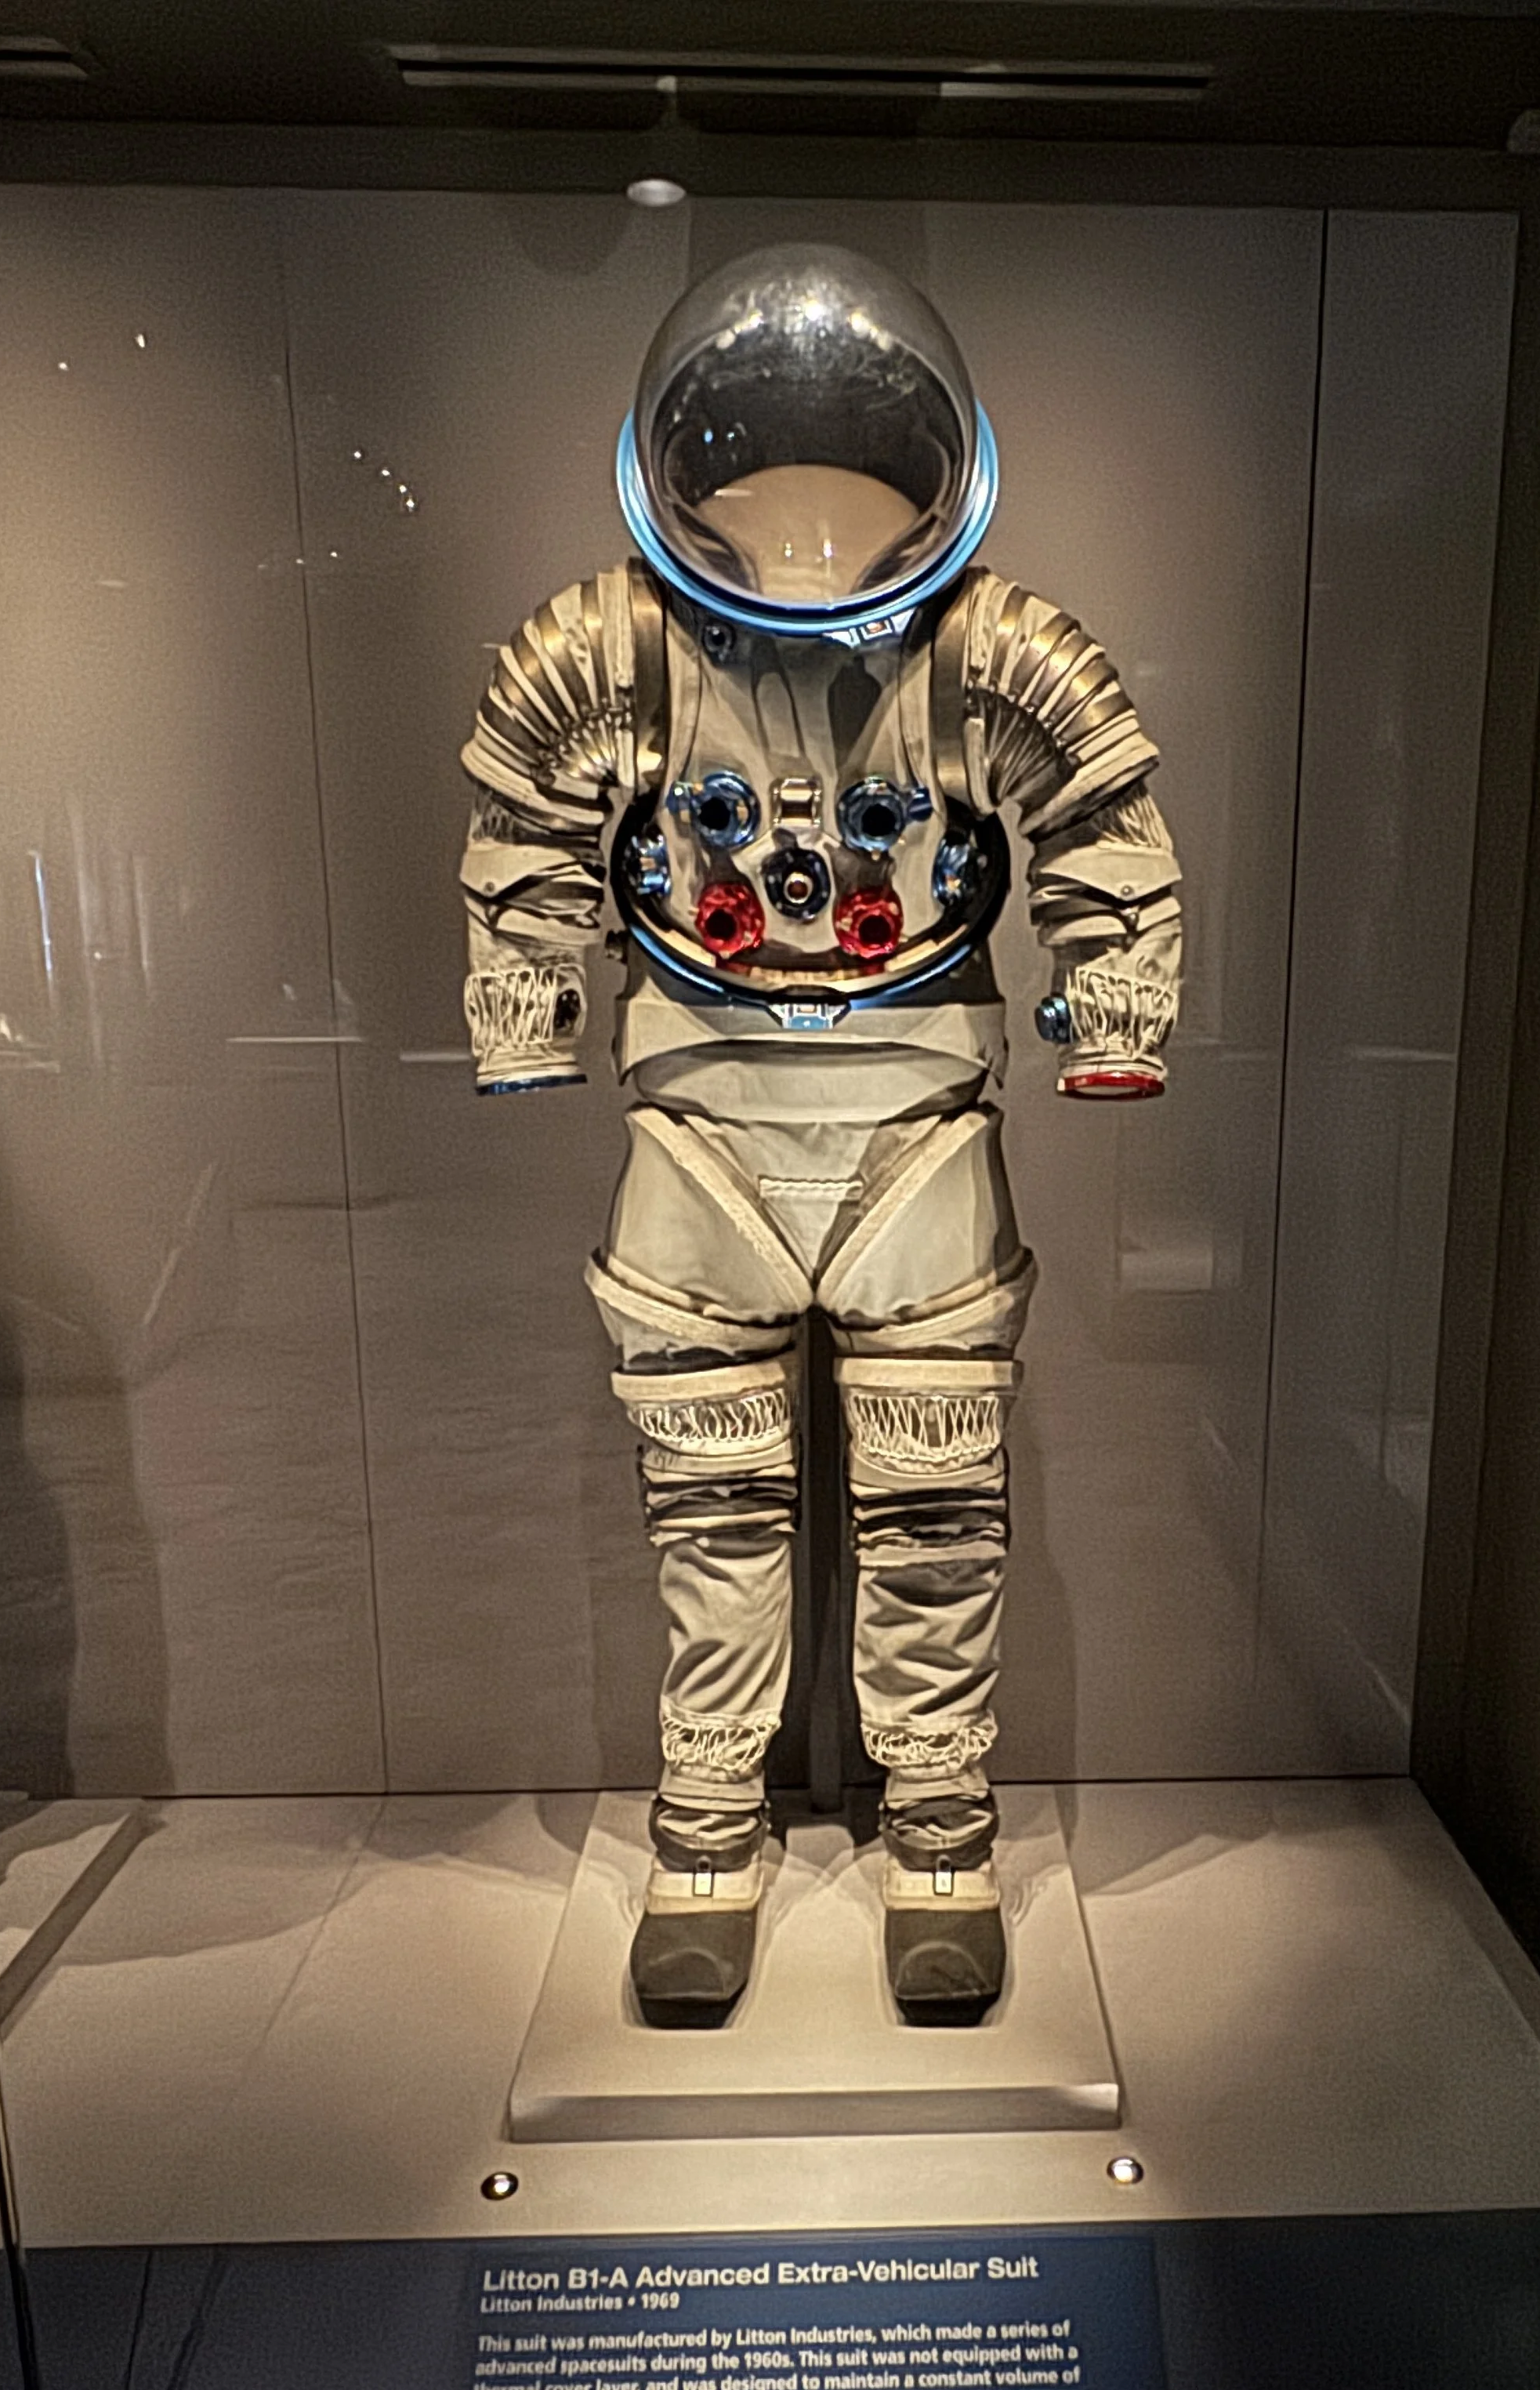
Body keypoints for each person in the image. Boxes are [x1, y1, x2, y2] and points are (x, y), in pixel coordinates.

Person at [458, 245, 1179, 2024]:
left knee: (935, 1507)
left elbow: (1100, 814)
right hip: (700, 1134)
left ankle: (938, 1829)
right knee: (711, 1514)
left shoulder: (988, 651)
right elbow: (524, 813)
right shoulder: (613, 650)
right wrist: (523, 1005)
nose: (803, 548)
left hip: (913, 1126)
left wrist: (1115, 1012)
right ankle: (708, 1829)